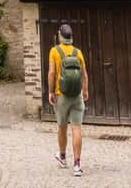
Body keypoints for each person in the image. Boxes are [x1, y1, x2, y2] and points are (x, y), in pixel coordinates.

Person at [47, 22, 88, 177]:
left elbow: (51, 73)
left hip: (61, 95)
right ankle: (77, 165)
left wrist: (51, 92)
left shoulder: (54, 51)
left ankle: (63, 157)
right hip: (76, 95)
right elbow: (84, 74)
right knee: (76, 128)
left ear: (60, 36)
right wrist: (85, 90)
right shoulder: (78, 52)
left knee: (62, 127)